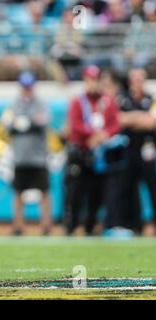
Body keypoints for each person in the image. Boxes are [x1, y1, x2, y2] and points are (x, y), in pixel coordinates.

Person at [64, 65, 120, 235]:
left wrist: (103, 135)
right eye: (90, 80)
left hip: (100, 155)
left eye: (96, 80)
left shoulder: (107, 101)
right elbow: (75, 125)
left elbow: (115, 124)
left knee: (97, 193)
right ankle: (72, 226)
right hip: (81, 152)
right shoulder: (78, 101)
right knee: (76, 192)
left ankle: (91, 225)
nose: (93, 84)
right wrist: (93, 135)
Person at [2, 71, 52, 236]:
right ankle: (18, 225)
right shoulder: (14, 104)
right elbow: (7, 123)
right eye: (25, 87)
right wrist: (23, 122)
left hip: (38, 157)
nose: (27, 90)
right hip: (21, 157)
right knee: (18, 192)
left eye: (29, 87)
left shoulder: (41, 103)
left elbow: (43, 120)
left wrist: (25, 122)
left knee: (44, 191)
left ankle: (46, 225)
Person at [115, 68, 156, 234]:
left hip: (148, 150)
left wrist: (131, 118)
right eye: (135, 78)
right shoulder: (122, 99)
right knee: (128, 189)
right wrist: (141, 117)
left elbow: (151, 123)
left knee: (153, 188)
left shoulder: (151, 99)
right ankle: (132, 225)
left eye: (141, 78)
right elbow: (119, 119)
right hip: (128, 149)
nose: (138, 81)